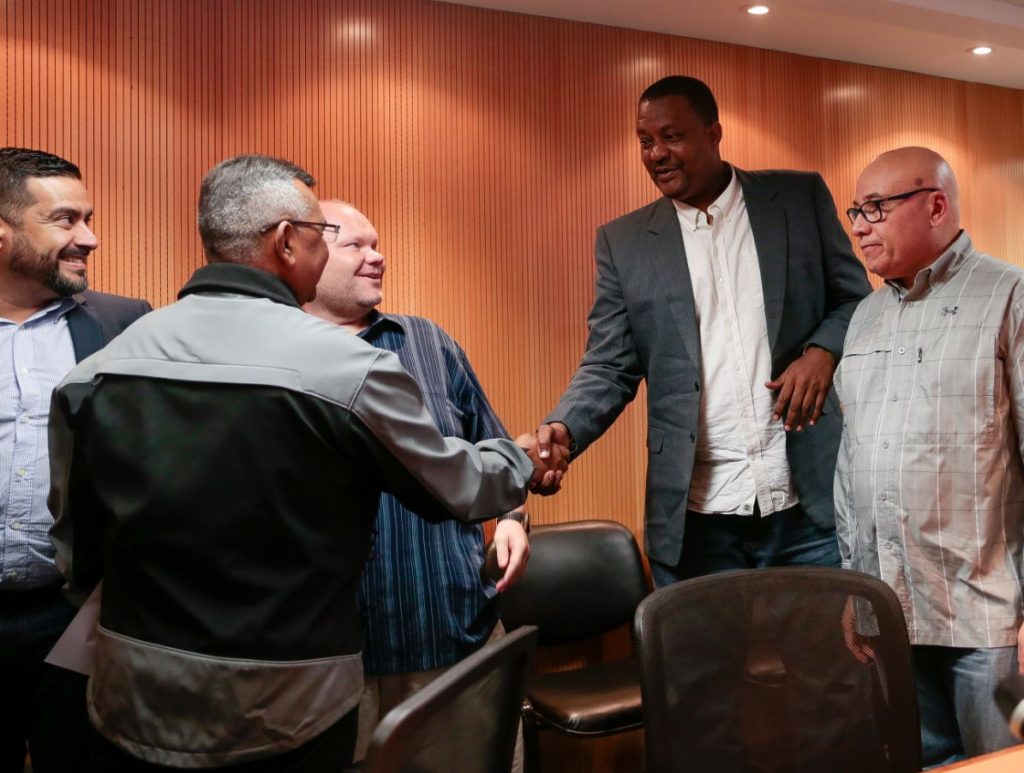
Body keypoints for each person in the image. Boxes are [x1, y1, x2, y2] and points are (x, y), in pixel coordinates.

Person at [47, 155, 564, 771]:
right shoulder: (346, 370)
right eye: (325, 234)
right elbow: (462, 488)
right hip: (288, 704)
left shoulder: (98, 369)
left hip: (136, 693)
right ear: (288, 240)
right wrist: (521, 456)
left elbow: (77, 547)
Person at [536, 75, 872, 585]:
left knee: (832, 640)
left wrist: (821, 352)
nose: (656, 154)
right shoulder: (624, 243)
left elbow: (855, 300)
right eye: (645, 141)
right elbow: (608, 365)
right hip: (696, 520)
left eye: (671, 137)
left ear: (714, 134)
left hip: (809, 504)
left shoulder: (797, 198)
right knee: (700, 643)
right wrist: (565, 428)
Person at [304, 200, 529, 766]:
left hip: (453, 635)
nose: (376, 257)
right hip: (337, 661)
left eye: (377, 244)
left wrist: (512, 520)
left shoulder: (428, 342)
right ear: (308, 255)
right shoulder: (284, 357)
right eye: (355, 245)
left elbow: (496, 450)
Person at [834, 146, 1024, 765]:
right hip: (891, 615)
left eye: (875, 208)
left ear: (936, 206)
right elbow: (850, 467)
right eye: (855, 211)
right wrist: (859, 594)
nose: (859, 227)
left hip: (989, 622)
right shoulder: (863, 318)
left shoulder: (1009, 295)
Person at [0, 147, 150, 773]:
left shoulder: (127, 325)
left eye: (88, 219)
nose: (88, 238)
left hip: (75, 619)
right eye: (65, 220)